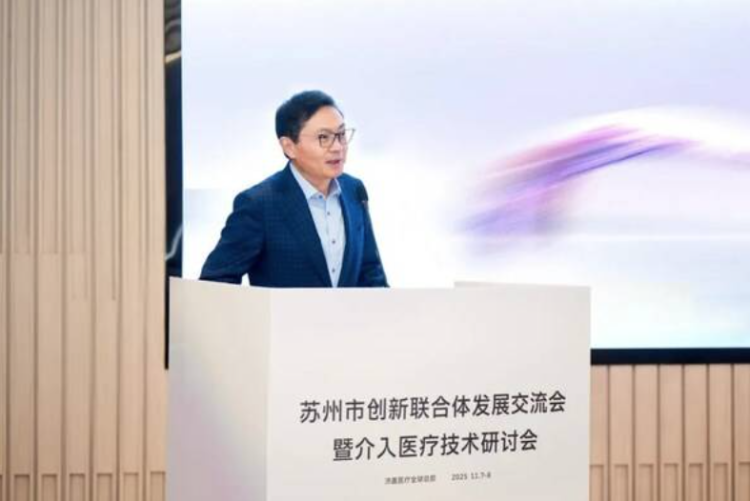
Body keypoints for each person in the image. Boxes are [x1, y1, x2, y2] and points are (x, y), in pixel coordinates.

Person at [200, 90, 388, 287]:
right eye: (323, 137)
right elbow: (215, 282)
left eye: (341, 135)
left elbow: (371, 272)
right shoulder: (259, 204)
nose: (338, 147)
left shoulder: (353, 190)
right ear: (289, 146)